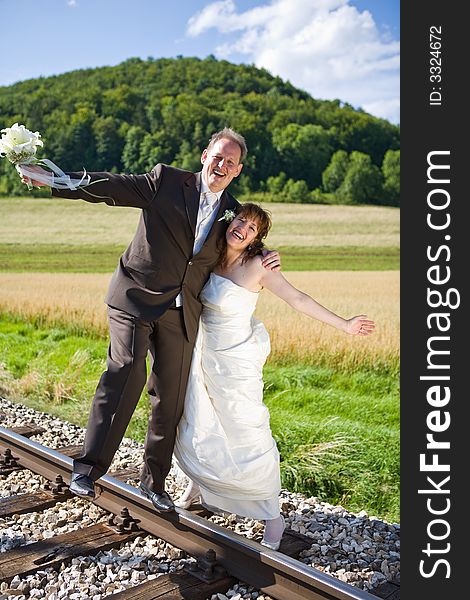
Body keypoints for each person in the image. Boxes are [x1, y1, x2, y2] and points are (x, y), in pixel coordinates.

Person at [19, 128, 280, 512]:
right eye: (217, 156)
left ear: (237, 170)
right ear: (204, 155)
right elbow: (111, 186)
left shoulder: (233, 212)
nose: (221, 165)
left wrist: (266, 255)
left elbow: (244, 243)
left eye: (230, 162)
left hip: (180, 312)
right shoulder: (166, 181)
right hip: (135, 297)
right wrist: (54, 179)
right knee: (127, 371)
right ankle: (88, 469)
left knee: (170, 397)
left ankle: (154, 483)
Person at [171, 202, 375, 550]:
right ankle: (198, 483)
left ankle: (272, 517)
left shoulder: (260, 266)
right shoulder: (212, 251)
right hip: (204, 353)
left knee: (245, 428)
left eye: (252, 228)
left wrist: (345, 324)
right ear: (231, 220)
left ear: (257, 238)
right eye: (241, 221)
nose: (243, 229)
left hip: (235, 362)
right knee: (199, 418)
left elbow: (297, 299)